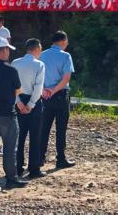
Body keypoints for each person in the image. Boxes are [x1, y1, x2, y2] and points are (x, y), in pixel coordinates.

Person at [0, 37, 28, 189]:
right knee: (9, 148)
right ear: (3, 50)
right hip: (7, 114)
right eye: (7, 49)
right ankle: (11, 178)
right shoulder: (11, 70)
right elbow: (19, 90)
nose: (8, 52)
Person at [39, 31, 76, 170]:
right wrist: (53, 91)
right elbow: (66, 78)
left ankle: (40, 158)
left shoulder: (42, 55)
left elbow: (38, 75)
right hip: (60, 95)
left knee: (44, 128)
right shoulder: (66, 56)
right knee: (61, 129)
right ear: (63, 41)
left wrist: (44, 90)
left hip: (44, 96)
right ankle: (61, 159)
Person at [12, 38, 46, 178]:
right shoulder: (39, 65)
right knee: (35, 136)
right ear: (36, 49)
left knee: (19, 136)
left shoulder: (15, 63)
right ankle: (34, 168)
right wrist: (31, 105)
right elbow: (38, 87)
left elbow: (11, 85)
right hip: (34, 101)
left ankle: (18, 167)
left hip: (19, 100)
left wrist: (18, 102)